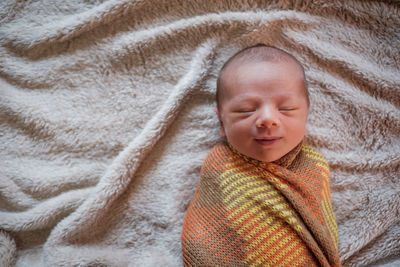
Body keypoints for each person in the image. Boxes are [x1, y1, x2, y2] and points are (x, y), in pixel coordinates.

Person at [181, 44, 341, 267]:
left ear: (306, 113)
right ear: (221, 122)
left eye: (285, 108)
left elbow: (323, 233)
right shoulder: (219, 165)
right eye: (246, 109)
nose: (267, 119)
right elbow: (202, 235)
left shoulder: (315, 167)